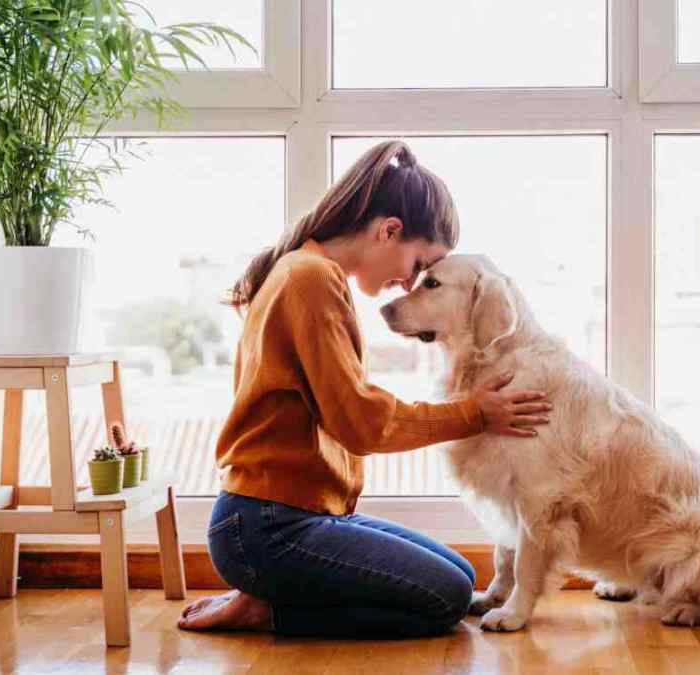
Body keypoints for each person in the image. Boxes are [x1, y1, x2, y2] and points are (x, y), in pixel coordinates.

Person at [177, 140, 552, 637]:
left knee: (462, 577)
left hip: (291, 517)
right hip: (266, 527)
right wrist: (475, 414)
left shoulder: (308, 271)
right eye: (418, 266)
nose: (407, 284)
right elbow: (361, 423)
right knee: (445, 599)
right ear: (389, 230)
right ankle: (269, 608)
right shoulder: (310, 279)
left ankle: (272, 590)